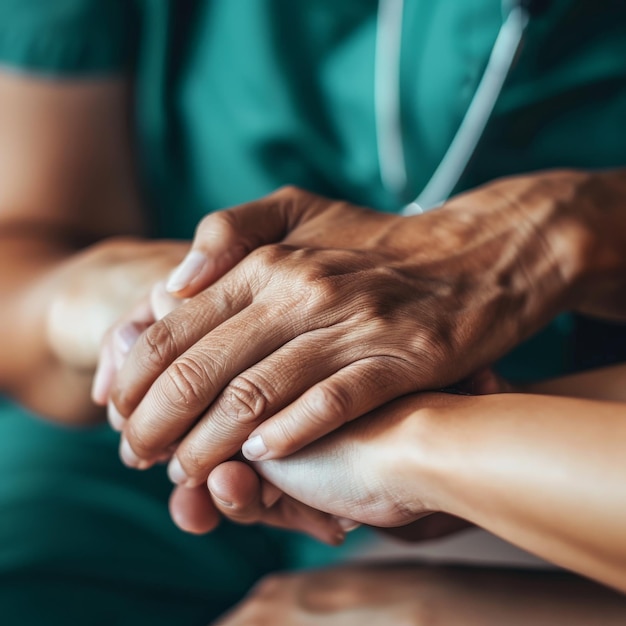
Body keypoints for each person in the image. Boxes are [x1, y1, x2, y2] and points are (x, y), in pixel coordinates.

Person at [1, 0, 626, 624]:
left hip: (551, 427)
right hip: (130, 444)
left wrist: (561, 231)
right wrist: (128, 295)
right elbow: (25, 251)